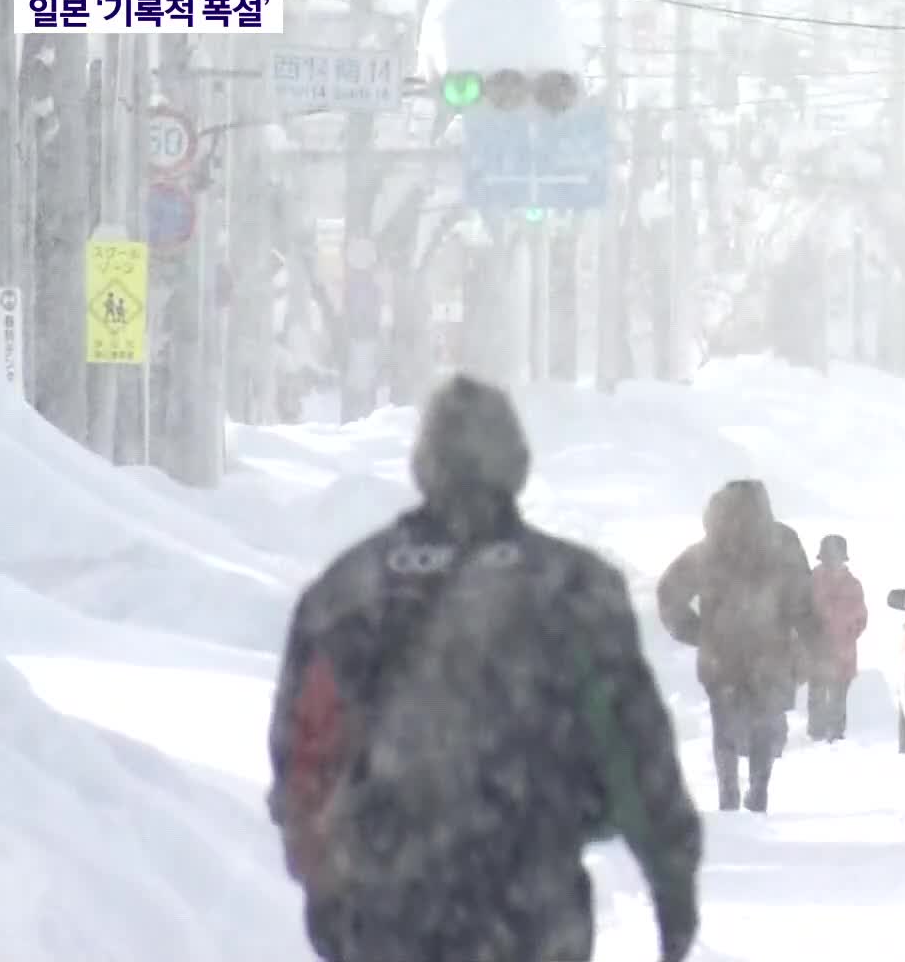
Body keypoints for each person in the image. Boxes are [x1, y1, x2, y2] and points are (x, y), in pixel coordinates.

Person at [266, 374, 701, 962]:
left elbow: (305, 754)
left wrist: (325, 879)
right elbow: (633, 749)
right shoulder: (572, 588)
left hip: (385, 902)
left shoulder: (347, 592)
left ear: (425, 465)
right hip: (532, 905)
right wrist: (671, 882)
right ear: (517, 464)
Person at [657, 479, 821, 813]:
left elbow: (668, 593)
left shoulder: (709, 549)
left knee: (724, 723)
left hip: (721, 656)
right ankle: (758, 789)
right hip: (769, 653)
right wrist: (813, 642)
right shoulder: (782, 543)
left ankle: (728, 794)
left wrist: (696, 631)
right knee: (764, 719)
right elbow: (802, 601)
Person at [806, 534, 868, 742]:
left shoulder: (852, 586)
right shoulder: (811, 582)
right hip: (821, 652)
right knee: (818, 693)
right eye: (828, 558)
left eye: (835, 558)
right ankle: (818, 734)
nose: (832, 562)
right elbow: (801, 613)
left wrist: (847, 634)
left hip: (840, 653)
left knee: (837, 696)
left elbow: (861, 619)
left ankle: (833, 735)